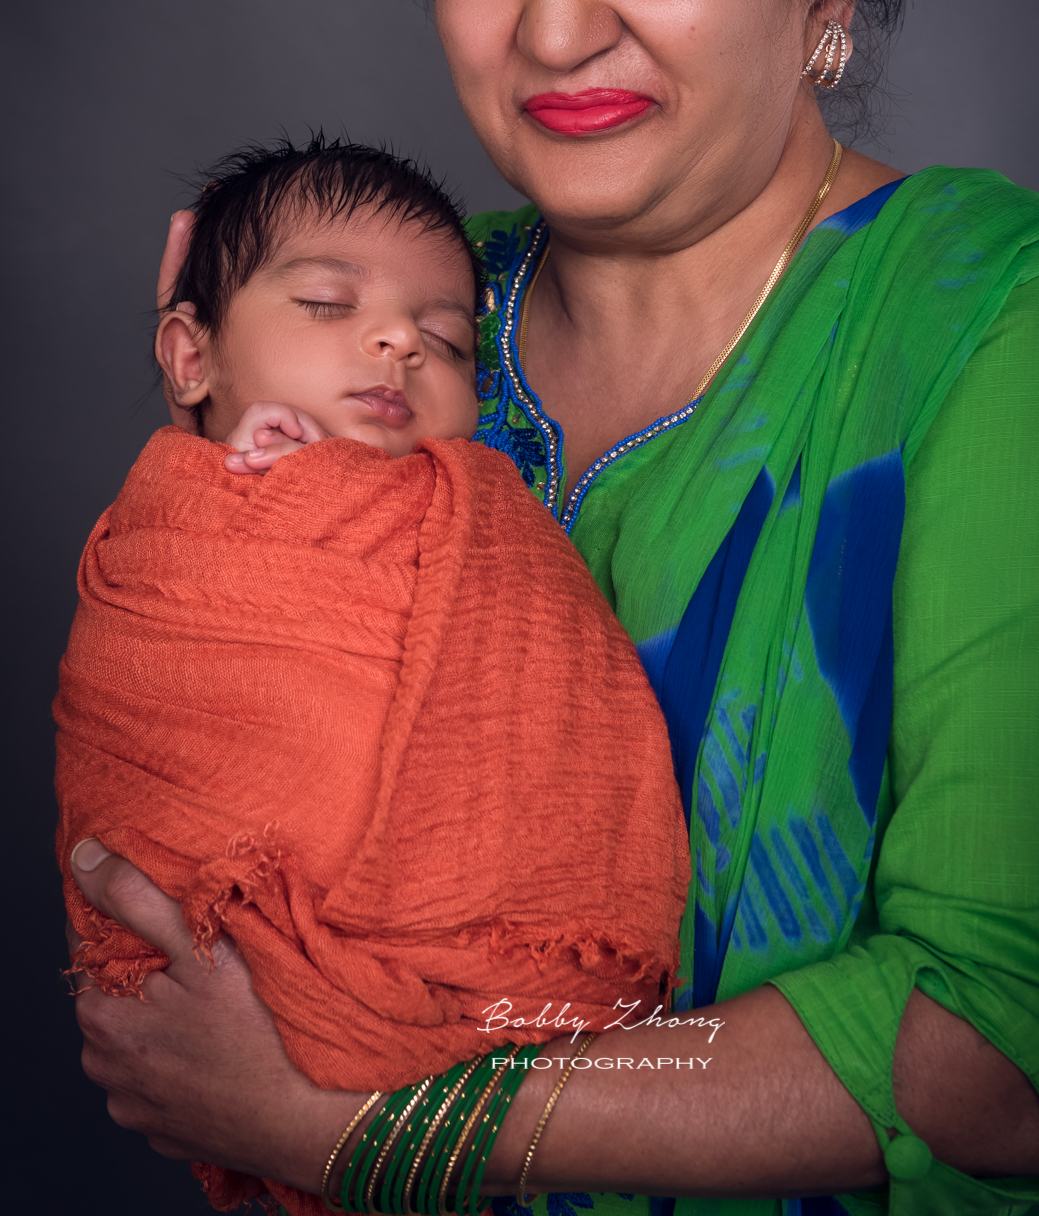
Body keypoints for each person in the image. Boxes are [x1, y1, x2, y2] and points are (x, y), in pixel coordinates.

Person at [68, 0, 1039, 1216]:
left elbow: (1004, 1053)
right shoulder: (411, 317)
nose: (551, 25)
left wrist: (360, 1125)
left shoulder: (982, 327)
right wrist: (219, 383)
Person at [58, 136, 688, 1216]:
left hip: (464, 981)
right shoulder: (178, 519)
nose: (399, 341)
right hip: (213, 940)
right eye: (323, 304)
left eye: (445, 342)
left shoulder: (477, 516)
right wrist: (241, 482)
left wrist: (334, 483)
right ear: (188, 357)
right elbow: (182, 653)